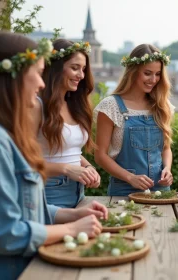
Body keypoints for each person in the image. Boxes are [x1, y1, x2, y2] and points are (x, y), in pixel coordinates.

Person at [0, 32, 107, 280]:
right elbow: (6, 234)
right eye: (37, 73)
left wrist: (70, 214)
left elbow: (24, 209)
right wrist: (71, 229)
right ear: (16, 76)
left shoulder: (2, 135)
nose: (42, 84)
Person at [94, 44, 173, 195]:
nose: (153, 79)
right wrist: (130, 178)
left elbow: (165, 148)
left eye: (157, 74)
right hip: (124, 190)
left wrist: (167, 169)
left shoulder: (162, 105)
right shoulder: (110, 106)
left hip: (161, 190)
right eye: (148, 73)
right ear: (133, 72)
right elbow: (100, 156)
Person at [31, 39, 101, 208]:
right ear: (55, 68)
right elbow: (23, 161)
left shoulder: (74, 104)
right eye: (75, 68)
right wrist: (67, 169)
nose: (81, 75)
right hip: (48, 192)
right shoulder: (36, 105)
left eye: (83, 69)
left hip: (78, 193)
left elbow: (68, 150)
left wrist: (88, 167)